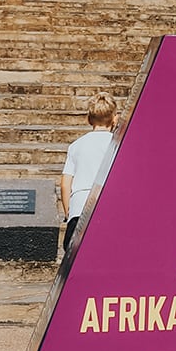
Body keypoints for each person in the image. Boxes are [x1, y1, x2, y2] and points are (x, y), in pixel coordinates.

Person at [59, 94, 118, 253]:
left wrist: (69, 213)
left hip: (79, 208)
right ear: (115, 119)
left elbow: (65, 184)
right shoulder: (117, 145)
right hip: (108, 209)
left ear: (89, 119)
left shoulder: (76, 146)